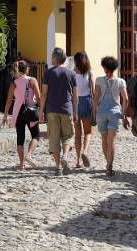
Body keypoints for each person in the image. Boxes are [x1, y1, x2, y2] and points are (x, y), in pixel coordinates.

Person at [40, 47, 77, 176]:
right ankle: (65, 156)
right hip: (67, 109)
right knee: (67, 136)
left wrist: (41, 111)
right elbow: (75, 95)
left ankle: (58, 167)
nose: (51, 58)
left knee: (54, 138)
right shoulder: (71, 73)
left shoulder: (48, 73)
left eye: (52, 56)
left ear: (55, 58)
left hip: (51, 110)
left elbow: (44, 93)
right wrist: (75, 111)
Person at [1, 60, 41, 170]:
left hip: (18, 112)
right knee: (36, 135)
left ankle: (22, 164)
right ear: (26, 69)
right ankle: (29, 155)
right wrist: (41, 111)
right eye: (28, 68)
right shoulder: (32, 81)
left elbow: (9, 101)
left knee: (20, 138)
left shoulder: (14, 83)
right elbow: (38, 97)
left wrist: (5, 115)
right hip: (30, 112)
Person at [93, 56, 129, 177]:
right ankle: (109, 166)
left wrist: (94, 112)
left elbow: (96, 97)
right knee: (111, 141)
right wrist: (123, 114)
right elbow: (126, 99)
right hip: (115, 112)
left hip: (102, 111)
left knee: (104, 139)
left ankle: (107, 163)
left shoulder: (98, 80)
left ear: (104, 67)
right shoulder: (120, 81)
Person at [72, 51, 94, 170]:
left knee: (77, 133)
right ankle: (85, 151)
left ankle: (78, 160)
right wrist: (95, 108)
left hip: (75, 102)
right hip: (86, 101)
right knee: (88, 132)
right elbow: (93, 91)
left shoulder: (72, 73)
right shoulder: (89, 73)